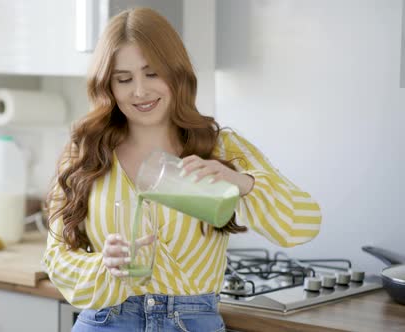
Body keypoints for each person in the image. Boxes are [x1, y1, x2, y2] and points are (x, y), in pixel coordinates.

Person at [42, 7, 322, 332]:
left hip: (193, 322)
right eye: (124, 79)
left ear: (176, 73)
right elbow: (56, 257)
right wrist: (103, 266)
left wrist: (243, 184)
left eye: (152, 73)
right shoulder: (86, 153)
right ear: (108, 86)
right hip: (107, 321)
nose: (140, 91)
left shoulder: (220, 149)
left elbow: (304, 224)